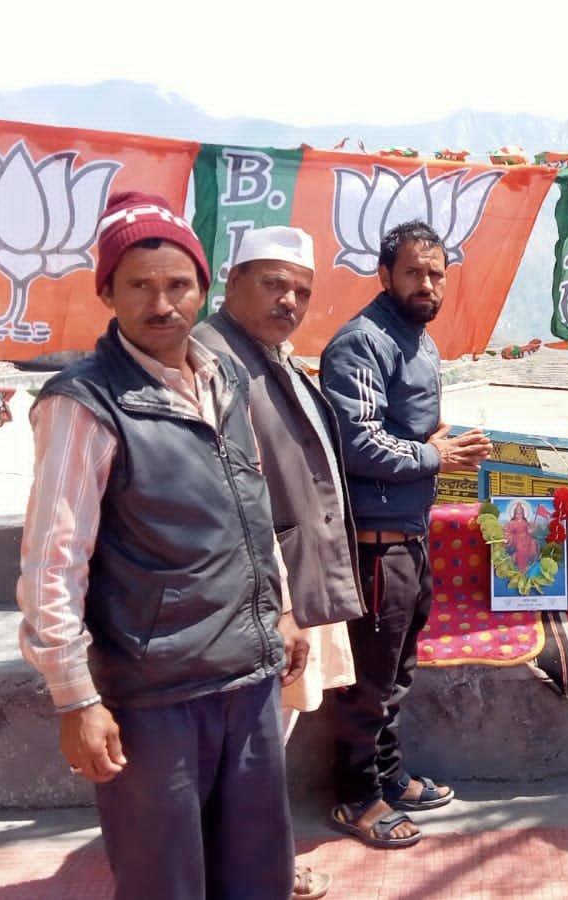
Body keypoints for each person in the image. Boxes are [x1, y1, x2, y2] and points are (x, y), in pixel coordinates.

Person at [16, 191, 305, 898]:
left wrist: (283, 611)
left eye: (178, 284)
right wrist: (75, 698)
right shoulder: (84, 403)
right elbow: (53, 559)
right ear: (107, 293)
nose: (162, 303)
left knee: (258, 876)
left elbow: (251, 504)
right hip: (154, 695)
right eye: (139, 286)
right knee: (165, 882)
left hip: (248, 677)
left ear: (203, 290)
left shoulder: (224, 378)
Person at [194, 224, 366, 899]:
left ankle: (244, 859)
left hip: (293, 576)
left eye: (301, 291)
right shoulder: (214, 360)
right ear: (232, 282)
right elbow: (233, 494)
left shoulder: (270, 354)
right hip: (259, 593)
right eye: (273, 284)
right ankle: (249, 867)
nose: (289, 300)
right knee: (250, 741)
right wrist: (281, 606)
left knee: (274, 729)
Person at [319, 220, 492, 848]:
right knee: (368, 681)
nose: (427, 284)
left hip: (410, 536)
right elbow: (358, 442)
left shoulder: (418, 340)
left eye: (436, 273)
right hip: (375, 544)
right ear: (385, 274)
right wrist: (436, 456)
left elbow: (409, 428)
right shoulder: (361, 343)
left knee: (396, 674)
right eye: (414, 272)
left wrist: (442, 442)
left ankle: (388, 775)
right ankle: (355, 796)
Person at [504, 501, 540, 571]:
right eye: (517, 513)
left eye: (520, 513)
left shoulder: (524, 522)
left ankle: (529, 563)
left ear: (523, 514)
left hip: (526, 538)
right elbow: (507, 531)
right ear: (514, 514)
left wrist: (534, 528)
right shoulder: (512, 523)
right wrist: (508, 536)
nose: (519, 515)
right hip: (516, 539)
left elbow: (529, 531)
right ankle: (521, 567)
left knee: (533, 542)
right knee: (520, 548)